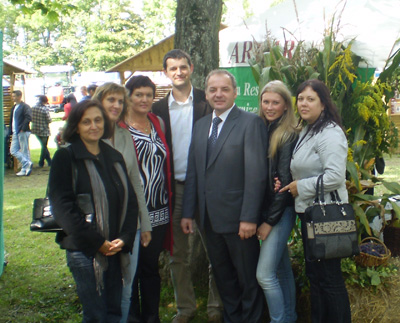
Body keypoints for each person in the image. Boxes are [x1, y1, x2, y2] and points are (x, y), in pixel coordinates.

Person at [181, 70, 267, 323]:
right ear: (206, 93)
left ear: (235, 92)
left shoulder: (250, 123)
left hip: (240, 221)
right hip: (208, 220)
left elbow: (256, 175)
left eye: (224, 89)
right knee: (223, 277)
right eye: (213, 89)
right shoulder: (200, 126)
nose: (218, 94)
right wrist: (188, 212)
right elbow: (193, 171)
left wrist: (249, 217)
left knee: (247, 279)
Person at [48, 100, 138, 322]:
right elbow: (63, 207)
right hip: (84, 251)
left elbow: (130, 201)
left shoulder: (114, 157)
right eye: (86, 122)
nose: (93, 126)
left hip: (114, 248)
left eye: (98, 120)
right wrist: (97, 242)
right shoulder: (66, 158)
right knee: (96, 314)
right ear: (76, 126)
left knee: (113, 311)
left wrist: (125, 238)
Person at [152, 49, 222, 323]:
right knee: (177, 255)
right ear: (166, 73)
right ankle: (185, 308)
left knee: (216, 251)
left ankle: (216, 308)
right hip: (175, 190)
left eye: (183, 67)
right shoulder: (157, 110)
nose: (179, 72)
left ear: (191, 68)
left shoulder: (208, 102)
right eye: (173, 68)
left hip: (206, 188)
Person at [280, 79, 352, 323]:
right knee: (316, 276)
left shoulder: (329, 133)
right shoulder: (309, 129)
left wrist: (301, 187)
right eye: (300, 98)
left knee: (330, 279)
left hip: (326, 215)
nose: (303, 103)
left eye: (310, 99)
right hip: (310, 214)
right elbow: (304, 167)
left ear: (323, 103)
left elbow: (335, 176)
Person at [92, 82, 152, 323]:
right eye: (110, 100)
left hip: (131, 226)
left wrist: (145, 223)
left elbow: (136, 181)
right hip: (99, 226)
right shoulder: (87, 134)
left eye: (120, 101)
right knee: (102, 286)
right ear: (99, 101)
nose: (116, 105)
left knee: (127, 285)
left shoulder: (125, 135)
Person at [124, 75, 173, 323]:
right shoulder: (119, 127)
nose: (144, 99)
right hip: (132, 211)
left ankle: (152, 316)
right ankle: (131, 317)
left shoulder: (158, 123)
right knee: (130, 269)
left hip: (160, 209)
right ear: (129, 96)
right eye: (138, 94)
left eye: (148, 95)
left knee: (150, 267)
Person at [255, 81, 298, 323]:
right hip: (269, 210)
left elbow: (284, 184)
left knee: (264, 274)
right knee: (281, 270)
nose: (269, 107)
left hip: (280, 213)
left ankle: (279, 320)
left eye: (275, 102)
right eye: (266, 101)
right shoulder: (263, 128)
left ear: (285, 106)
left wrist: (269, 222)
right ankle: (289, 317)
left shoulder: (288, 133)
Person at [9, 90, 33, 176]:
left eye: (14, 96)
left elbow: (28, 117)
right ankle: (27, 163)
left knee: (24, 150)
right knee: (13, 150)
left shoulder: (25, 107)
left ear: (19, 96)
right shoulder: (15, 107)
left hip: (22, 131)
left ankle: (24, 169)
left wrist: (23, 128)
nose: (13, 98)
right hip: (15, 132)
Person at [31, 95, 52, 167]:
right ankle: (41, 161)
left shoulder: (33, 108)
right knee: (44, 146)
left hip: (35, 129)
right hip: (44, 130)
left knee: (44, 146)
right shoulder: (44, 109)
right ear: (44, 101)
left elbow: (31, 118)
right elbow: (49, 120)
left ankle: (49, 161)